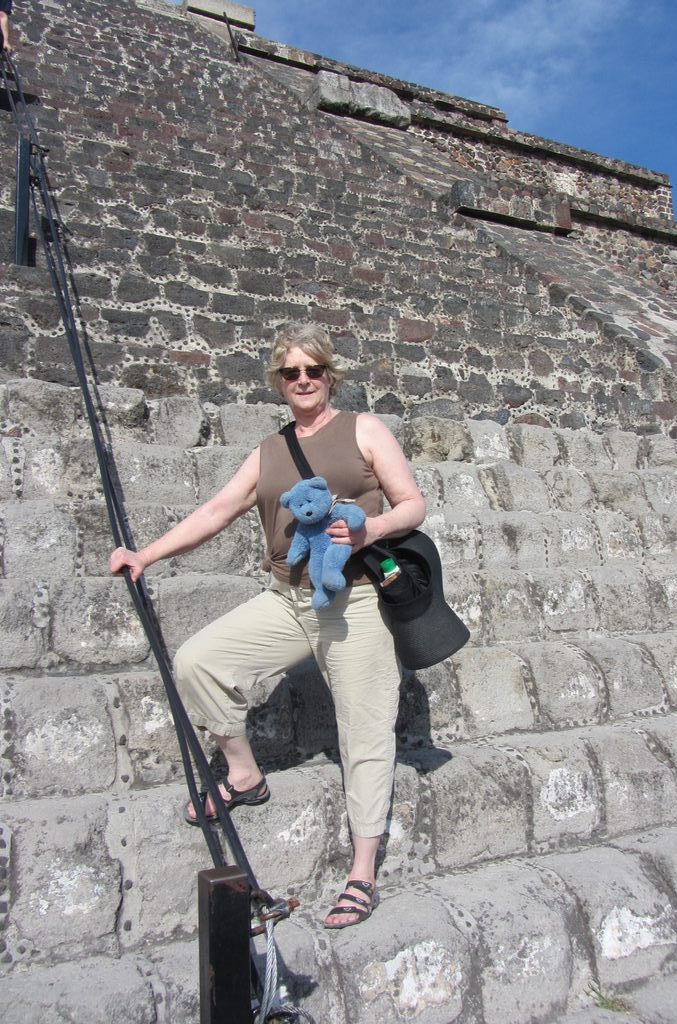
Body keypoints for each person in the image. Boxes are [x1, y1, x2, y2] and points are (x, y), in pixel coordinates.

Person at [110, 322, 426, 929]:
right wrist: (145, 555)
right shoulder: (269, 450)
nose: (303, 380)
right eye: (291, 372)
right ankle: (244, 774)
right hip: (287, 599)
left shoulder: (364, 429)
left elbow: (412, 503)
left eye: (313, 370)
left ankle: (362, 871)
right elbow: (216, 511)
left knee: (364, 732)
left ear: (329, 375)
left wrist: (373, 528)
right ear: (278, 381)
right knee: (199, 661)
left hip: (356, 601)